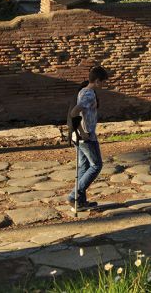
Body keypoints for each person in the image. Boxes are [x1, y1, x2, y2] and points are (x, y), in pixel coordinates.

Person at [66, 65, 108, 210]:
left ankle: (79, 202)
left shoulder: (83, 90)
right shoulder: (88, 94)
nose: (104, 85)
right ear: (97, 81)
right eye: (103, 82)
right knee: (96, 165)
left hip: (80, 136)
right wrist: (82, 132)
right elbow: (74, 112)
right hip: (86, 136)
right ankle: (73, 195)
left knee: (84, 166)